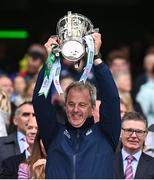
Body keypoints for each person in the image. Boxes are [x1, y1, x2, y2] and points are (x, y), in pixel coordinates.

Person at [32, 32, 121, 178]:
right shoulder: (54, 134)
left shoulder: (106, 134)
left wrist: (97, 58)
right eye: (71, 104)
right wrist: (51, 60)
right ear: (65, 106)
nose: (75, 110)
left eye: (82, 105)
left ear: (92, 108)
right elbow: (39, 100)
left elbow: (111, 100)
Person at [114, 111, 154, 179]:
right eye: (129, 130)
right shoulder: (107, 161)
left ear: (145, 135)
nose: (134, 136)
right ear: (120, 132)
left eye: (139, 132)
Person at [0, 113, 38, 179]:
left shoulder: (52, 161)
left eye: (37, 128)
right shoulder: (9, 163)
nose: (33, 131)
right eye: (30, 128)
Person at [0, 101, 34, 168]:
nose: (31, 119)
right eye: (26, 114)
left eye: (34, 115)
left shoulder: (47, 144)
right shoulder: (1, 144)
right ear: (15, 120)